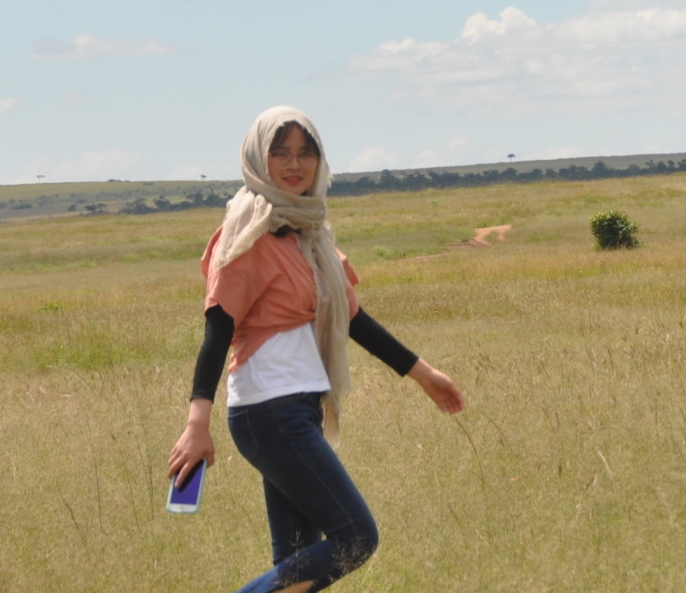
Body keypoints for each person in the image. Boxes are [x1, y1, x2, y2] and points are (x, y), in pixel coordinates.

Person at [166, 106, 465, 593]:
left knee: (300, 565)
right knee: (355, 536)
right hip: (269, 409)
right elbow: (218, 329)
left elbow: (353, 320)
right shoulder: (247, 233)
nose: (294, 164)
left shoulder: (312, 234)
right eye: (279, 152)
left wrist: (424, 375)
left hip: (300, 407)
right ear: (258, 159)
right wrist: (197, 422)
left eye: (306, 153)